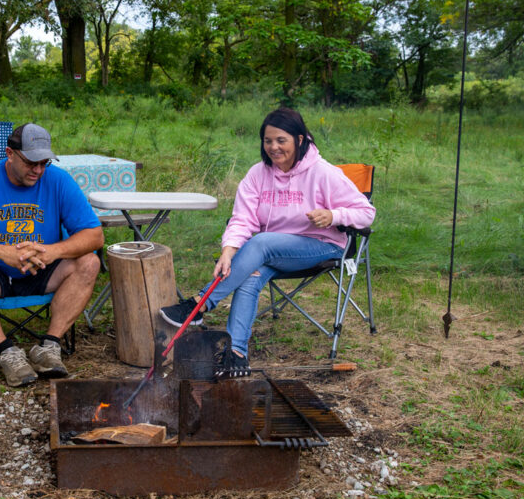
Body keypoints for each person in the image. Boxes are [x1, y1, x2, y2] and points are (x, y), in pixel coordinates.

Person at [159, 107, 375, 378]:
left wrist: (334, 215)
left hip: (321, 246)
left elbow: (367, 212)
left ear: (299, 139)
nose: (274, 147)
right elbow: (241, 219)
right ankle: (236, 354)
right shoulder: (257, 174)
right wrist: (228, 252)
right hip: (270, 252)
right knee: (250, 274)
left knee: (261, 243)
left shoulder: (323, 172)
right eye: (268, 140)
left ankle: (199, 304)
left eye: (281, 140)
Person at [0, 123, 104, 387]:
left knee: (90, 261)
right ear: (9, 153)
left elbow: (94, 236)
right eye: (31, 163)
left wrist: (54, 251)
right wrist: (1, 252)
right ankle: (6, 351)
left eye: (44, 163)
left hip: (43, 269)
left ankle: (49, 347)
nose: (38, 170)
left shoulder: (58, 180)